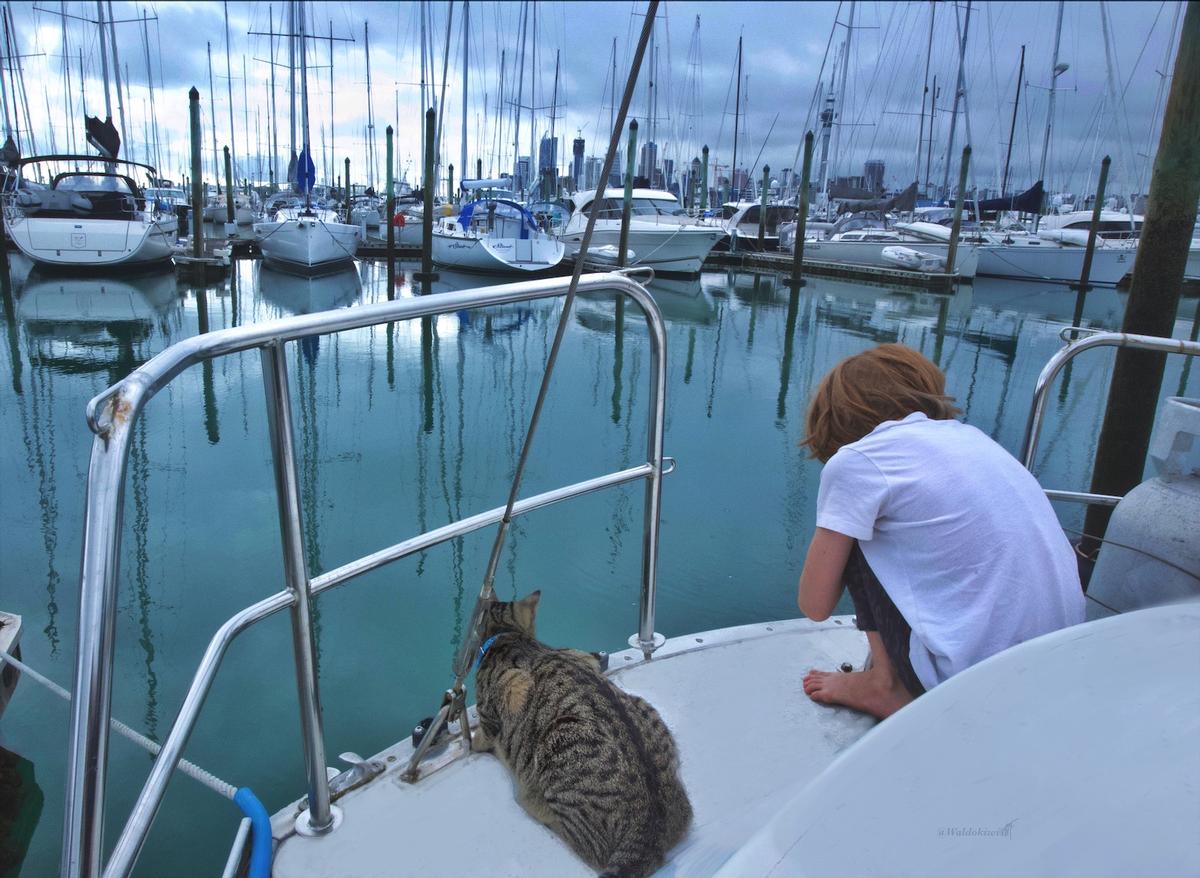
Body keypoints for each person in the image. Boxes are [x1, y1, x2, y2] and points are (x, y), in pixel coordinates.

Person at [796, 344, 1084, 719]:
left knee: (853, 533)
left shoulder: (857, 461)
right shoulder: (972, 440)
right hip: (1055, 662)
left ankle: (885, 684)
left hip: (969, 684)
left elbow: (814, 605)